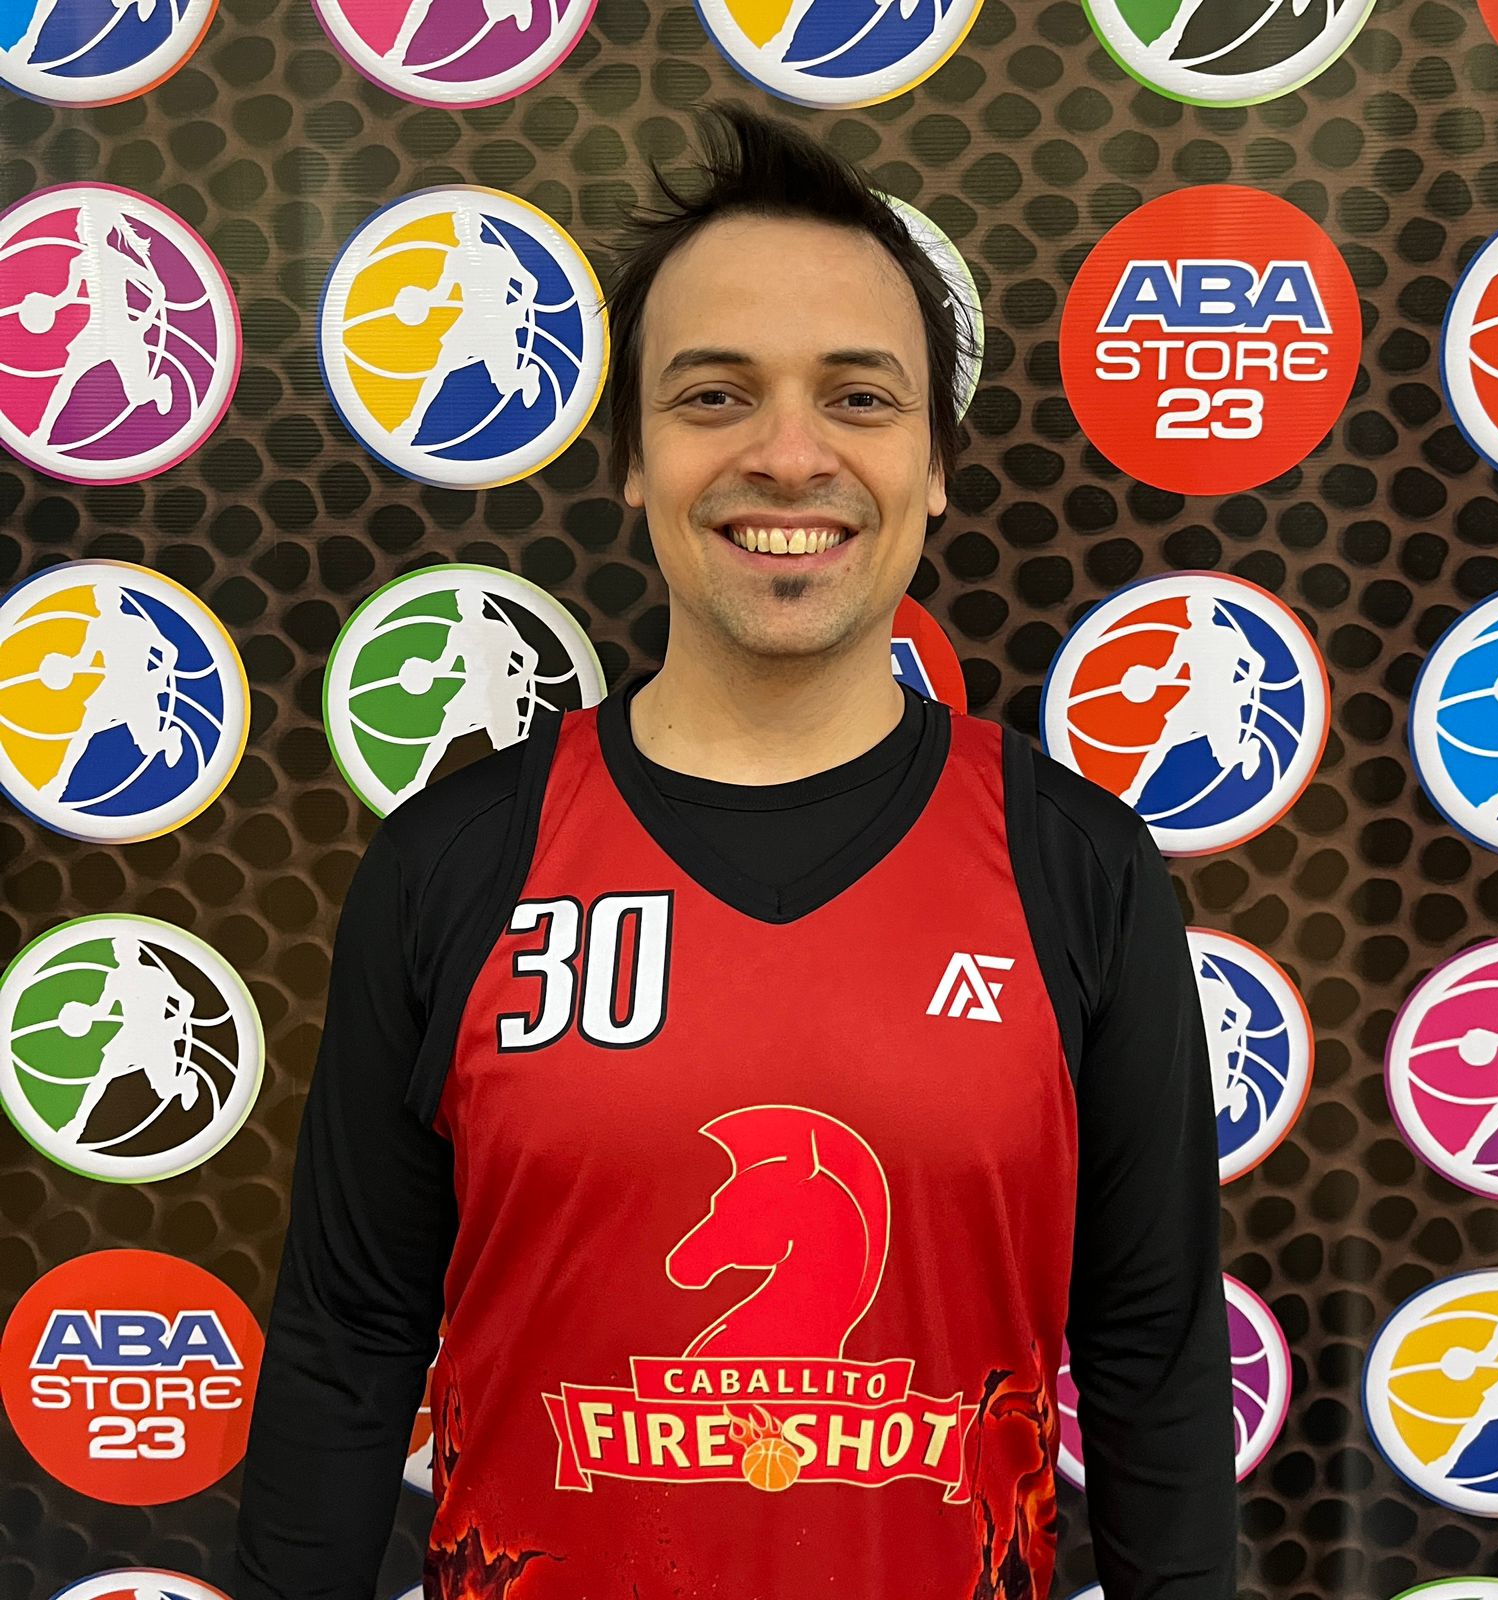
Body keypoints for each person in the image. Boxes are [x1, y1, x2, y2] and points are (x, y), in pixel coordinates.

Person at [231, 104, 1236, 1600]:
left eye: (859, 397)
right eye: (715, 395)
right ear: (634, 461)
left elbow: (1152, 1356)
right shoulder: (457, 861)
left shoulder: (1075, 864)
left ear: (937, 465)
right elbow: (347, 1343)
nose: (788, 455)